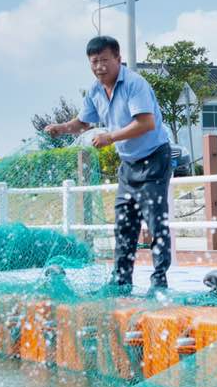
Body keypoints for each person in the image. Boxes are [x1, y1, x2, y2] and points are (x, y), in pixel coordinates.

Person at [43, 36, 172, 294]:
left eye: (104, 60)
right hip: (129, 165)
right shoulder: (94, 91)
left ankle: (159, 281)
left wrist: (110, 137)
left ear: (118, 58)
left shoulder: (135, 84)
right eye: (94, 62)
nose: (99, 67)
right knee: (124, 224)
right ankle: (121, 280)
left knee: (155, 223)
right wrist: (61, 128)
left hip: (154, 159)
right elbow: (82, 123)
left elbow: (146, 123)